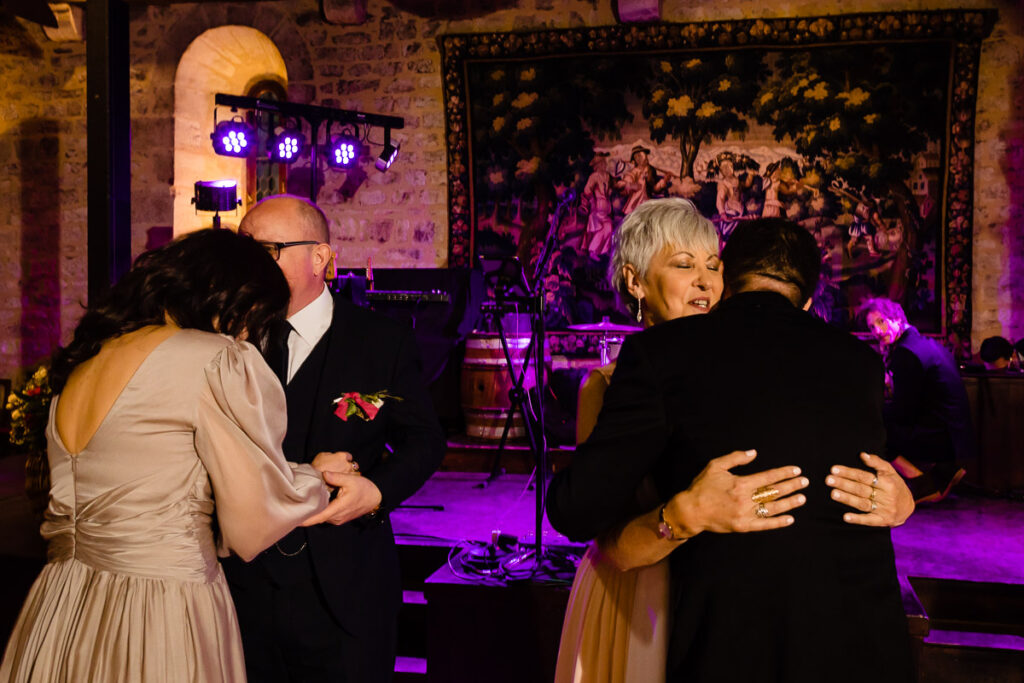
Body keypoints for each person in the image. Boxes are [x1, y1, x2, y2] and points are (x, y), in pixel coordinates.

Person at [554, 204, 914, 683]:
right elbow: (587, 521)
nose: (703, 283)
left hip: (735, 624)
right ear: (635, 282)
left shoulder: (687, 358)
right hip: (644, 596)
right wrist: (684, 514)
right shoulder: (856, 361)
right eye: (684, 265)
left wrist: (903, 502)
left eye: (711, 266)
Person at [0, 229, 332, 682]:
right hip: (161, 605)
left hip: (63, 602)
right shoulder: (213, 359)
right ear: (231, 298)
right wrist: (317, 479)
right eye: (258, 317)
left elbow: (153, 474)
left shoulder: (84, 363)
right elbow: (255, 518)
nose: (253, 333)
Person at [225, 194, 446, 683]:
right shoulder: (228, 340)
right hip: (244, 590)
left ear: (319, 258)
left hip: (346, 589)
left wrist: (377, 491)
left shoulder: (381, 341)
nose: (248, 265)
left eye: (267, 250)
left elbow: (425, 441)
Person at [861, 297, 974, 502]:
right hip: (956, 434)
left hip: (939, 437)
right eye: (871, 326)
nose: (877, 331)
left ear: (897, 318)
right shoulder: (928, 344)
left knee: (869, 427)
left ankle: (923, 482)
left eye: (881, 321)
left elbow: (904, 411)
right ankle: (946, 471)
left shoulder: (905, 353)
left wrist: (873, 409)